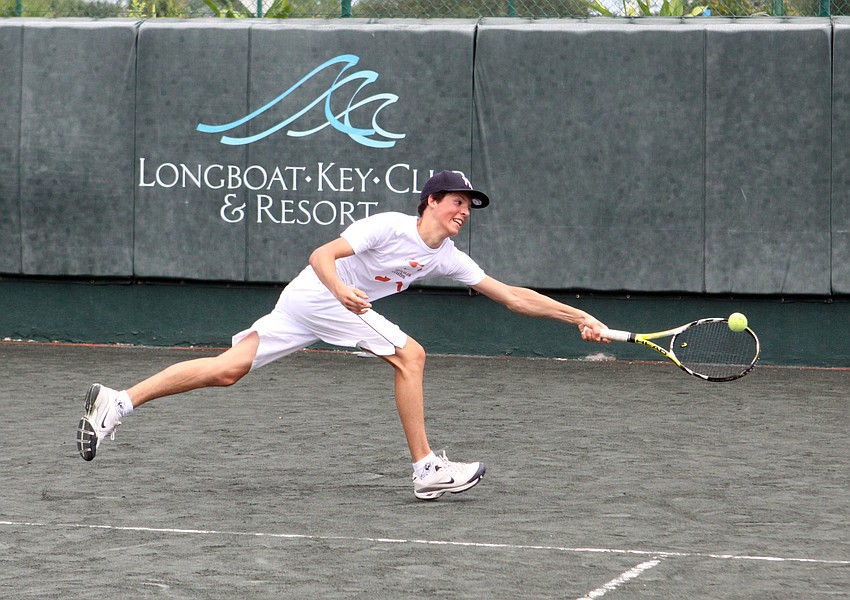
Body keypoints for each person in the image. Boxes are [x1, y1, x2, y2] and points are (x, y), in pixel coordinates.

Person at [76, 170, 608, 500]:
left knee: (228, 368)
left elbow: (512, 294)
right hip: (319, 293)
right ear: (431, 201)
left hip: (310, 303)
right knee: (411, 355)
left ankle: (117, 402)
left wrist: (579, 318)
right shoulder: (388, 226)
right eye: (458, 202)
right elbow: (321, 255)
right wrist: (343, 293)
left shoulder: (446, 255)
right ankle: (426, 468)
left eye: (470, 206)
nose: (465, 211)